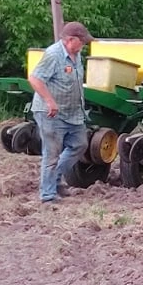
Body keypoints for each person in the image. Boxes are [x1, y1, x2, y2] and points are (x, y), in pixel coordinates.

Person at [28, 21, 93, 203]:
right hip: (51, 113)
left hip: (72, 113)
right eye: (82, 41)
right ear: (70, 40)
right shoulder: (53, 55)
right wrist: (50, 101)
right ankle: (48, 195)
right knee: (52, 152)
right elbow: (34, 78)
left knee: (79, 144)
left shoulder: (76, 54)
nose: (84, 45)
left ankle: (54, 179)